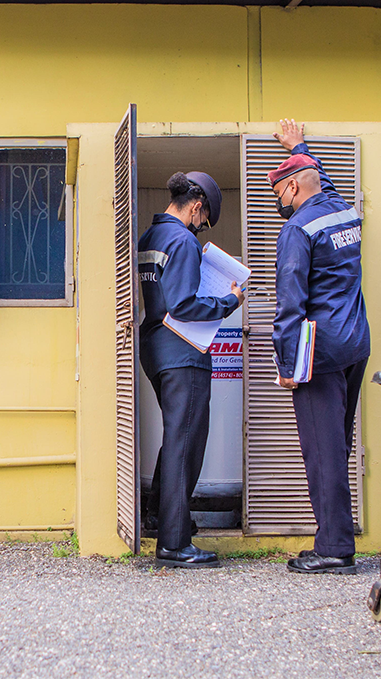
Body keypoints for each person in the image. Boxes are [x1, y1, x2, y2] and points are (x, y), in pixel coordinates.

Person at [271, 119, 370, 575]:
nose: (280, 206)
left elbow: (290, 302)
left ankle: (333, 548)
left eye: (279, 196)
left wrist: (289, 363)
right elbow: (318, 178)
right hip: (354, 345)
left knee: (323, 451)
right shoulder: (342, 210)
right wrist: (299, 146)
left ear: (291, 187)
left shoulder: (297, 231)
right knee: (338, 446)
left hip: (320, 353)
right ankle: (337, 537)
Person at [138, 170, 244, 568]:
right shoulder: (181, 240)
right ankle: (174, 543)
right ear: (197, 206)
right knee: (187, 444)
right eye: (205, 220)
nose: (202, 228)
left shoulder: (150, 238)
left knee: (176, 440)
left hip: (155, 350)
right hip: (183, 354)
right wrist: (229, 302)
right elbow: (183, 305)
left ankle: (161, 517)